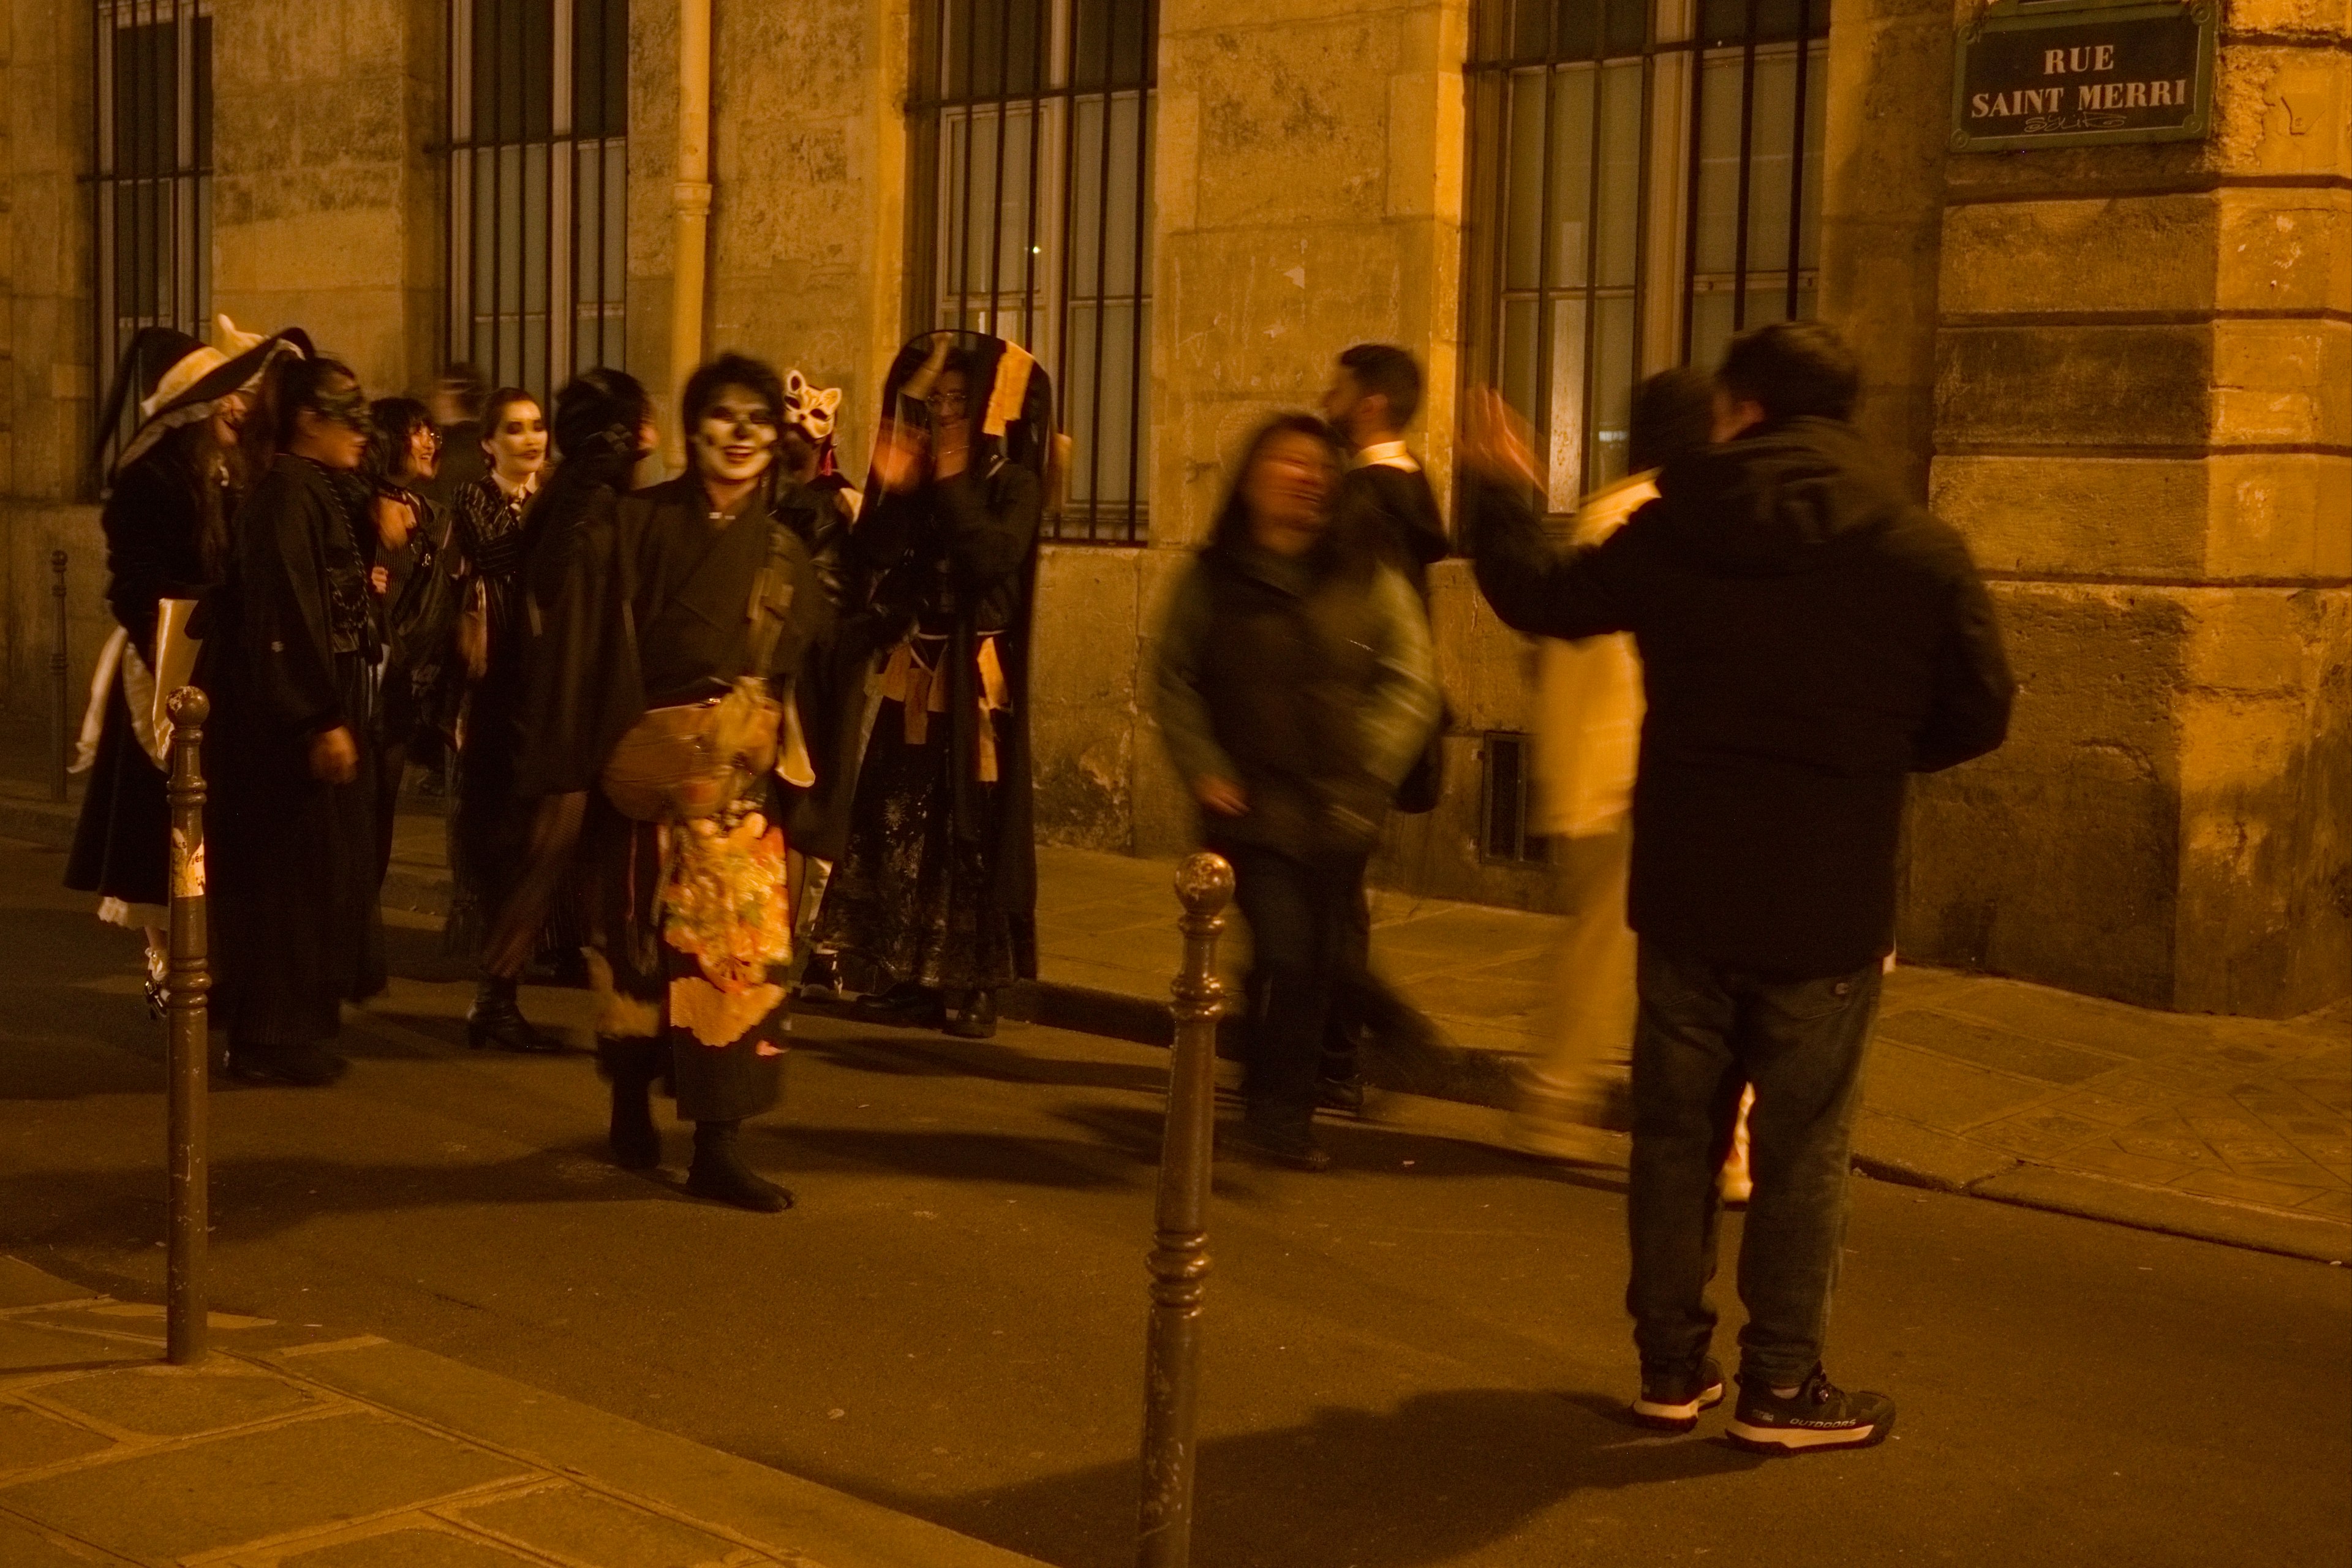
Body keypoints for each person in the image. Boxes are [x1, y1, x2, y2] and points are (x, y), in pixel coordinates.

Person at [1457, 321, 2014, 1453]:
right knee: (1803, 1146)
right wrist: (1867, 756)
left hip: (1689, 885)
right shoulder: (1917, 547)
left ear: (1743, 410)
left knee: (1674, 1139)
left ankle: (1670, 1370)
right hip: (1829, 893)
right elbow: (1981, 710)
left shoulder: (1681, 527)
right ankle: (1781, 1384)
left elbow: (1540, 597)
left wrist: (1501, 490)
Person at [514, 352, 826, 1212]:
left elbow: (810, 666)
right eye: (722, 416)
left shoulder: (783, 550)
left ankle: (719, 1145)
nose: (739, 434)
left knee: (732, 965)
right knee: (638, 955)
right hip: (644, 772)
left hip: (735, 790)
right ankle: (627, 1102)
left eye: (756, 420)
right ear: (693, 430)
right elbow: (562, 602)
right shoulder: (634, 522)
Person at [1152, 413, 1440, 1172]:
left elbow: (1411, 680)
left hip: (1338, 808)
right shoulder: (1214, 576)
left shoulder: (1364, 570)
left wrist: (1369, 765)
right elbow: (1174, 675)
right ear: (1252, 478)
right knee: (1287, 950)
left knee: (1315, 961)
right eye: (1289, 462)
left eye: (1320, 465)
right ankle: (1285, 1106)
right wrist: (1203, 761)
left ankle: (1282, 1105)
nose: (1308, 477)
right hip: (1248, 807)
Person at [67, 320, 307, 1005]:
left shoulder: (221, 468)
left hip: (213, 665)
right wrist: (186, 632)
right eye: (221, 397)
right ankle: (171, 960)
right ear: (192, 408)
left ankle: (205, 957)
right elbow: (134, 583)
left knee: (203, 820)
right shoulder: (152, 476)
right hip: (165, 667)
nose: (235, 407)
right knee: (158, 825)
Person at [819, 331, 1050, 1041]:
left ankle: (974, 983)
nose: (948, 412)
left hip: (976, 686)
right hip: (915, 668)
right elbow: (877, 555)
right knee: (898, 821)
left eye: (960, 399)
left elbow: (990, 557)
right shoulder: (927, 473)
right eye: (939, 399)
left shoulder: (1013, 480)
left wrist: (950, 480)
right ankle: (906, 973)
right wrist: (892, 479)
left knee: (968, 827)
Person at [1510, 368, 1713, 1164]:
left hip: (1606, 773)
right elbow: (1625, 668)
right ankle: (1556, 1099)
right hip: (1628, 776)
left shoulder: (1612, 510)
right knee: (1608, 951)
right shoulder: (1652, 517)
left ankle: (1560, 1097)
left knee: (1606, 948)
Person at [207, 353, 388, 1086]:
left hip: (316, 710)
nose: (362, 434)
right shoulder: (286, 495)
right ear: (308, 420)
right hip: (284, 730)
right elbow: (288, 611)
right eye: (346, 417)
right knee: (286, 878)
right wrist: (318, 716)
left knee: (319, 875)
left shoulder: (315, 492)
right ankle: (269, 1036)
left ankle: (296, 1023)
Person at [1315, 344, 1451, 1113]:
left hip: (1350, 726)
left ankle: (1342, 1052)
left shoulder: (1367, 499)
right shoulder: (1405, 490)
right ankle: (1322, 1053)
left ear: (1368, 404)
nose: (1324, 397)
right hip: (1363, 726)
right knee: (1327, 896)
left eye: (1337, 387)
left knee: (1325, 902)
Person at [436, 387, 559, 1052]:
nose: (529, 438)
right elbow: (446, 599)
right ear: (488, 443)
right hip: (489, 695)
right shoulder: (470, 506)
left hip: (545, 693)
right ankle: (495, 996)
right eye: (513, 429)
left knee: (541, 839)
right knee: (496, 842)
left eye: (537, 426)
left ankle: (518, 980)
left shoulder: (557, 501)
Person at [359, 396, 445, 884]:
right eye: (418, 431)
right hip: (365, 674)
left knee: (383, 807)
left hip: (400, 680)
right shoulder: (361, 505)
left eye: (432, 431)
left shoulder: (430, 514)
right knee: (360, 806)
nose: (430, 441)